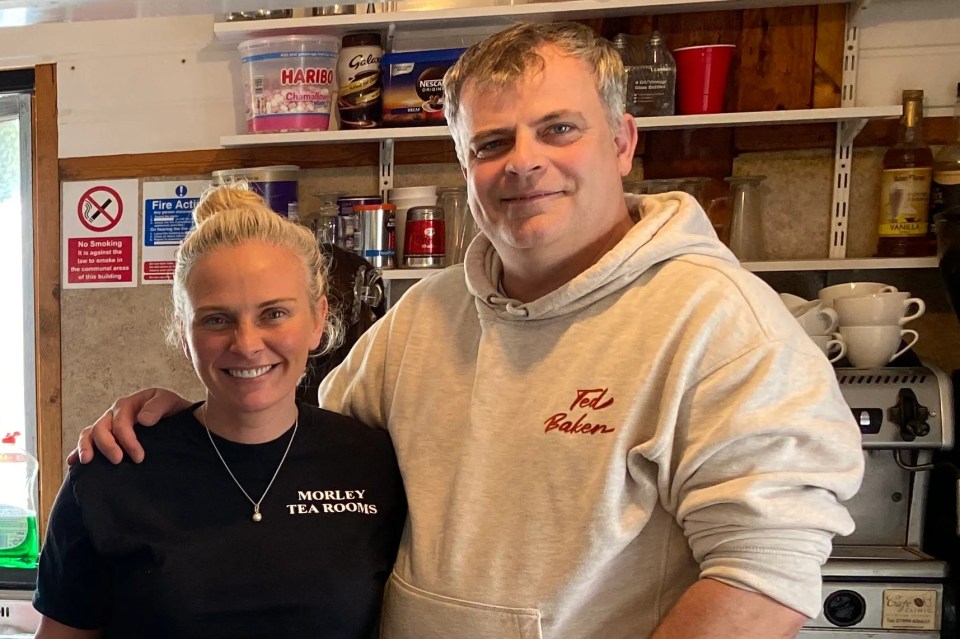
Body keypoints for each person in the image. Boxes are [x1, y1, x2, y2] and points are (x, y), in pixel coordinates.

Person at [75, 22, 864, 639]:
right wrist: (179, 424)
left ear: (622, 142)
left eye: (559, 129)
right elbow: (298, 445)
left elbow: (763, 576)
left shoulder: (723, 324)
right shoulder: (428, 317)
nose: (523, 162)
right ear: (464, 162)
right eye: (490, 143)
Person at [37, 184, 406, 638]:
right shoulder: (111, 473)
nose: (247, 344)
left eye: (273, 314)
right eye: (216, 319)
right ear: (183, 331)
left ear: (316, 318)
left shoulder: (374, 464)